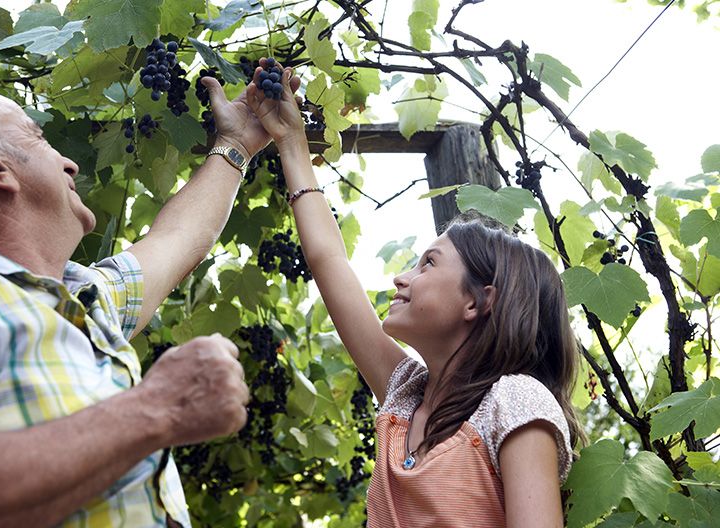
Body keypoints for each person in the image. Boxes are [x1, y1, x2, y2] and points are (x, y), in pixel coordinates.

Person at [0, 70, 298, 527]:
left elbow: (179, 237)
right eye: (36, 137)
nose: (70, 164)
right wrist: (159, 406)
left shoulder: (82, 300)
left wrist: (237, 144)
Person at [246, 59, 583, 527]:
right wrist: (291, 143)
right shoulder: (405, 394)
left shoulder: (515, 401)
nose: (401, 278)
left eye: (427, 263)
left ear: (478, 301)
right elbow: (329, 261)